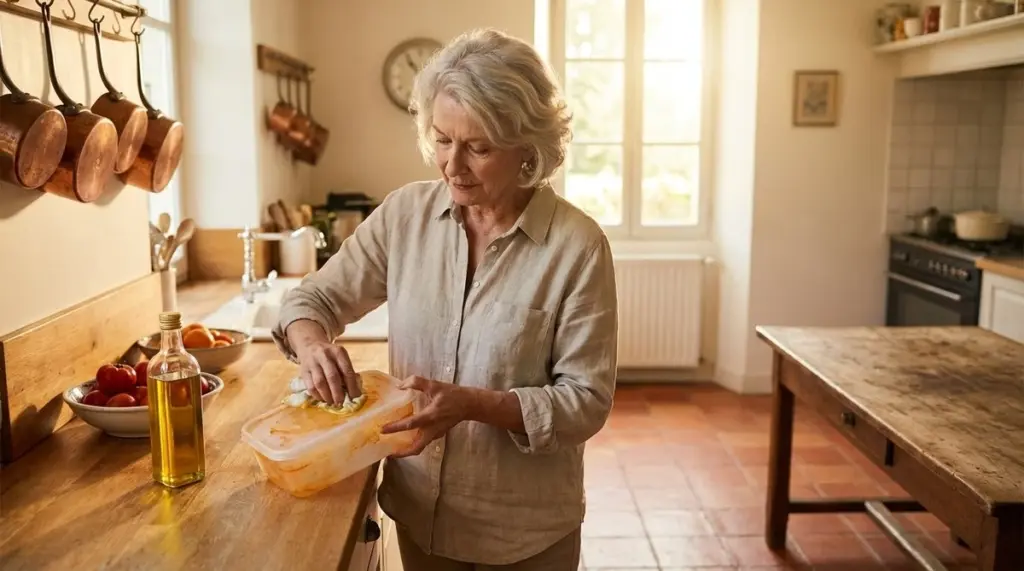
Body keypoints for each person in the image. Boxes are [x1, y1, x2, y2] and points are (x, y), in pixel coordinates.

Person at [271, 27, 618, 570]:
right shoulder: (404, 217)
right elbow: (311, 301)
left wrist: (473, 404)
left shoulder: (577, 246)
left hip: (524, 532)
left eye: (478, 147)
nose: (452, 165)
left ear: (528, 149)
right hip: (418, 511)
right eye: (441, 139)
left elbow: (585, 402)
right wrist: (313, 346)